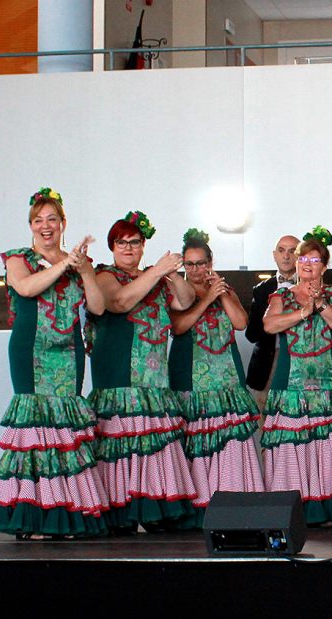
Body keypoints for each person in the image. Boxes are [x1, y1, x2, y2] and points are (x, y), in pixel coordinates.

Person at [0, 188, 109, 538]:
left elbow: (98, 308)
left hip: (67, 353)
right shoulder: (17, 258)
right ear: (30, 226)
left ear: (63, 224)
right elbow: (25, 288)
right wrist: (62, 265)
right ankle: (34, 517)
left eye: (52, 219)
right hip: (31, 350)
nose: (46, 226)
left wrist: (83, 270)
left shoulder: (76, 263)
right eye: (38, 220)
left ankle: (67, 514)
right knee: (35, 430)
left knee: (64, 429)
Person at [88, 211, 199, 533]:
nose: (127, 248)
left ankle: (156, 508)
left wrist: (173, 274)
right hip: (119, 376)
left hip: (154, 381)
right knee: (119, 442)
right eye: (121, 243)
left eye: (134, 242)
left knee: (153, 443)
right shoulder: (105, 275)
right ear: (112, 246)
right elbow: (119, 303)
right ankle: (119, 512)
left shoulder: (155, 276)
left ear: (143, 245)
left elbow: (185, 301)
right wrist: (157, 272)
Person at [259, 227, 332, 524]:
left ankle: (330, 508)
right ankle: (294, 507)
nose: (306, 264)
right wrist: (303, 312)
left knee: (330, 444)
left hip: (330, 383)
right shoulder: (281, 295)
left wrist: (320, 305)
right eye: (303, 259)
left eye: (314, 261)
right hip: (291, 384)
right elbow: (269, 326)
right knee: (292, 446)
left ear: (324, 266)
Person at [169, 228, 263, 525]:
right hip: (192, 380)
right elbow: (179, 327)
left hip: (226, 381)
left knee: (230, 443)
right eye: (190, 264)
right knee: (196, 444)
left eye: (201, 263)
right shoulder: (177, 290)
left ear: (211, 262)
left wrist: (220, 294)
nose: (196, 270)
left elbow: (241, 322)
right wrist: (206, 297)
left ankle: (232, 506)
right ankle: (198, 512)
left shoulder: (226, 290)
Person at [245, 235, 299, 410]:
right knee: (265, 419)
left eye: (292, 251)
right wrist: (273, 317)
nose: (286, 256)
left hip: (302, 360)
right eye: (281, 250)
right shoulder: (261, 290)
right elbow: (251, 334)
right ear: (274, 255)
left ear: (300, 255)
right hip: (268, 362)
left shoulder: (312, 286)